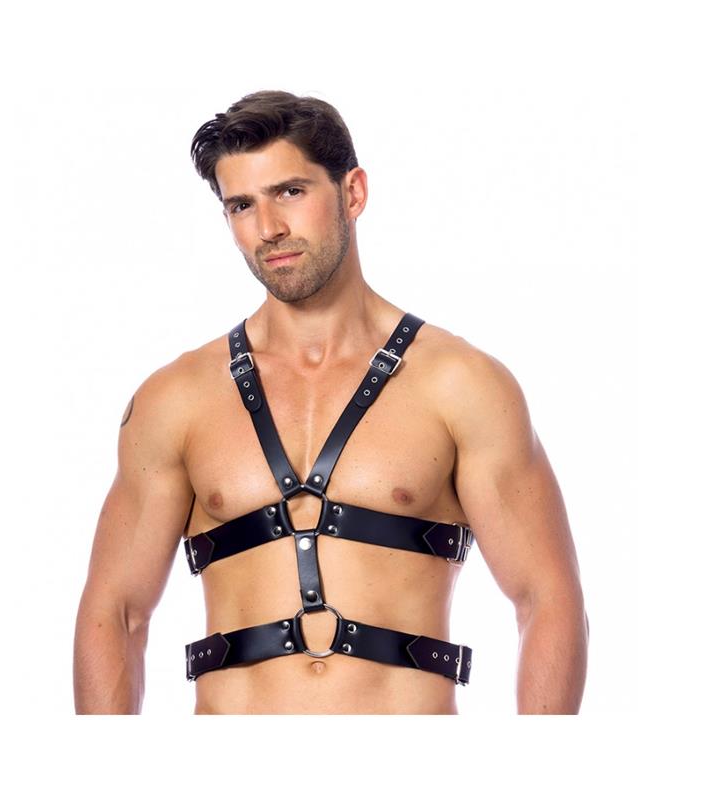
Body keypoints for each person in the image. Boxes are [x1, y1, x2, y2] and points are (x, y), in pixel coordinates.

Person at [73, 90, 589, 714]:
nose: (269, 228)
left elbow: (547, 599)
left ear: (353, 193)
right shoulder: (177, 398)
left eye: (290, 192)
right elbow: (117, 613)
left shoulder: (462, 385)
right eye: (242, 205)